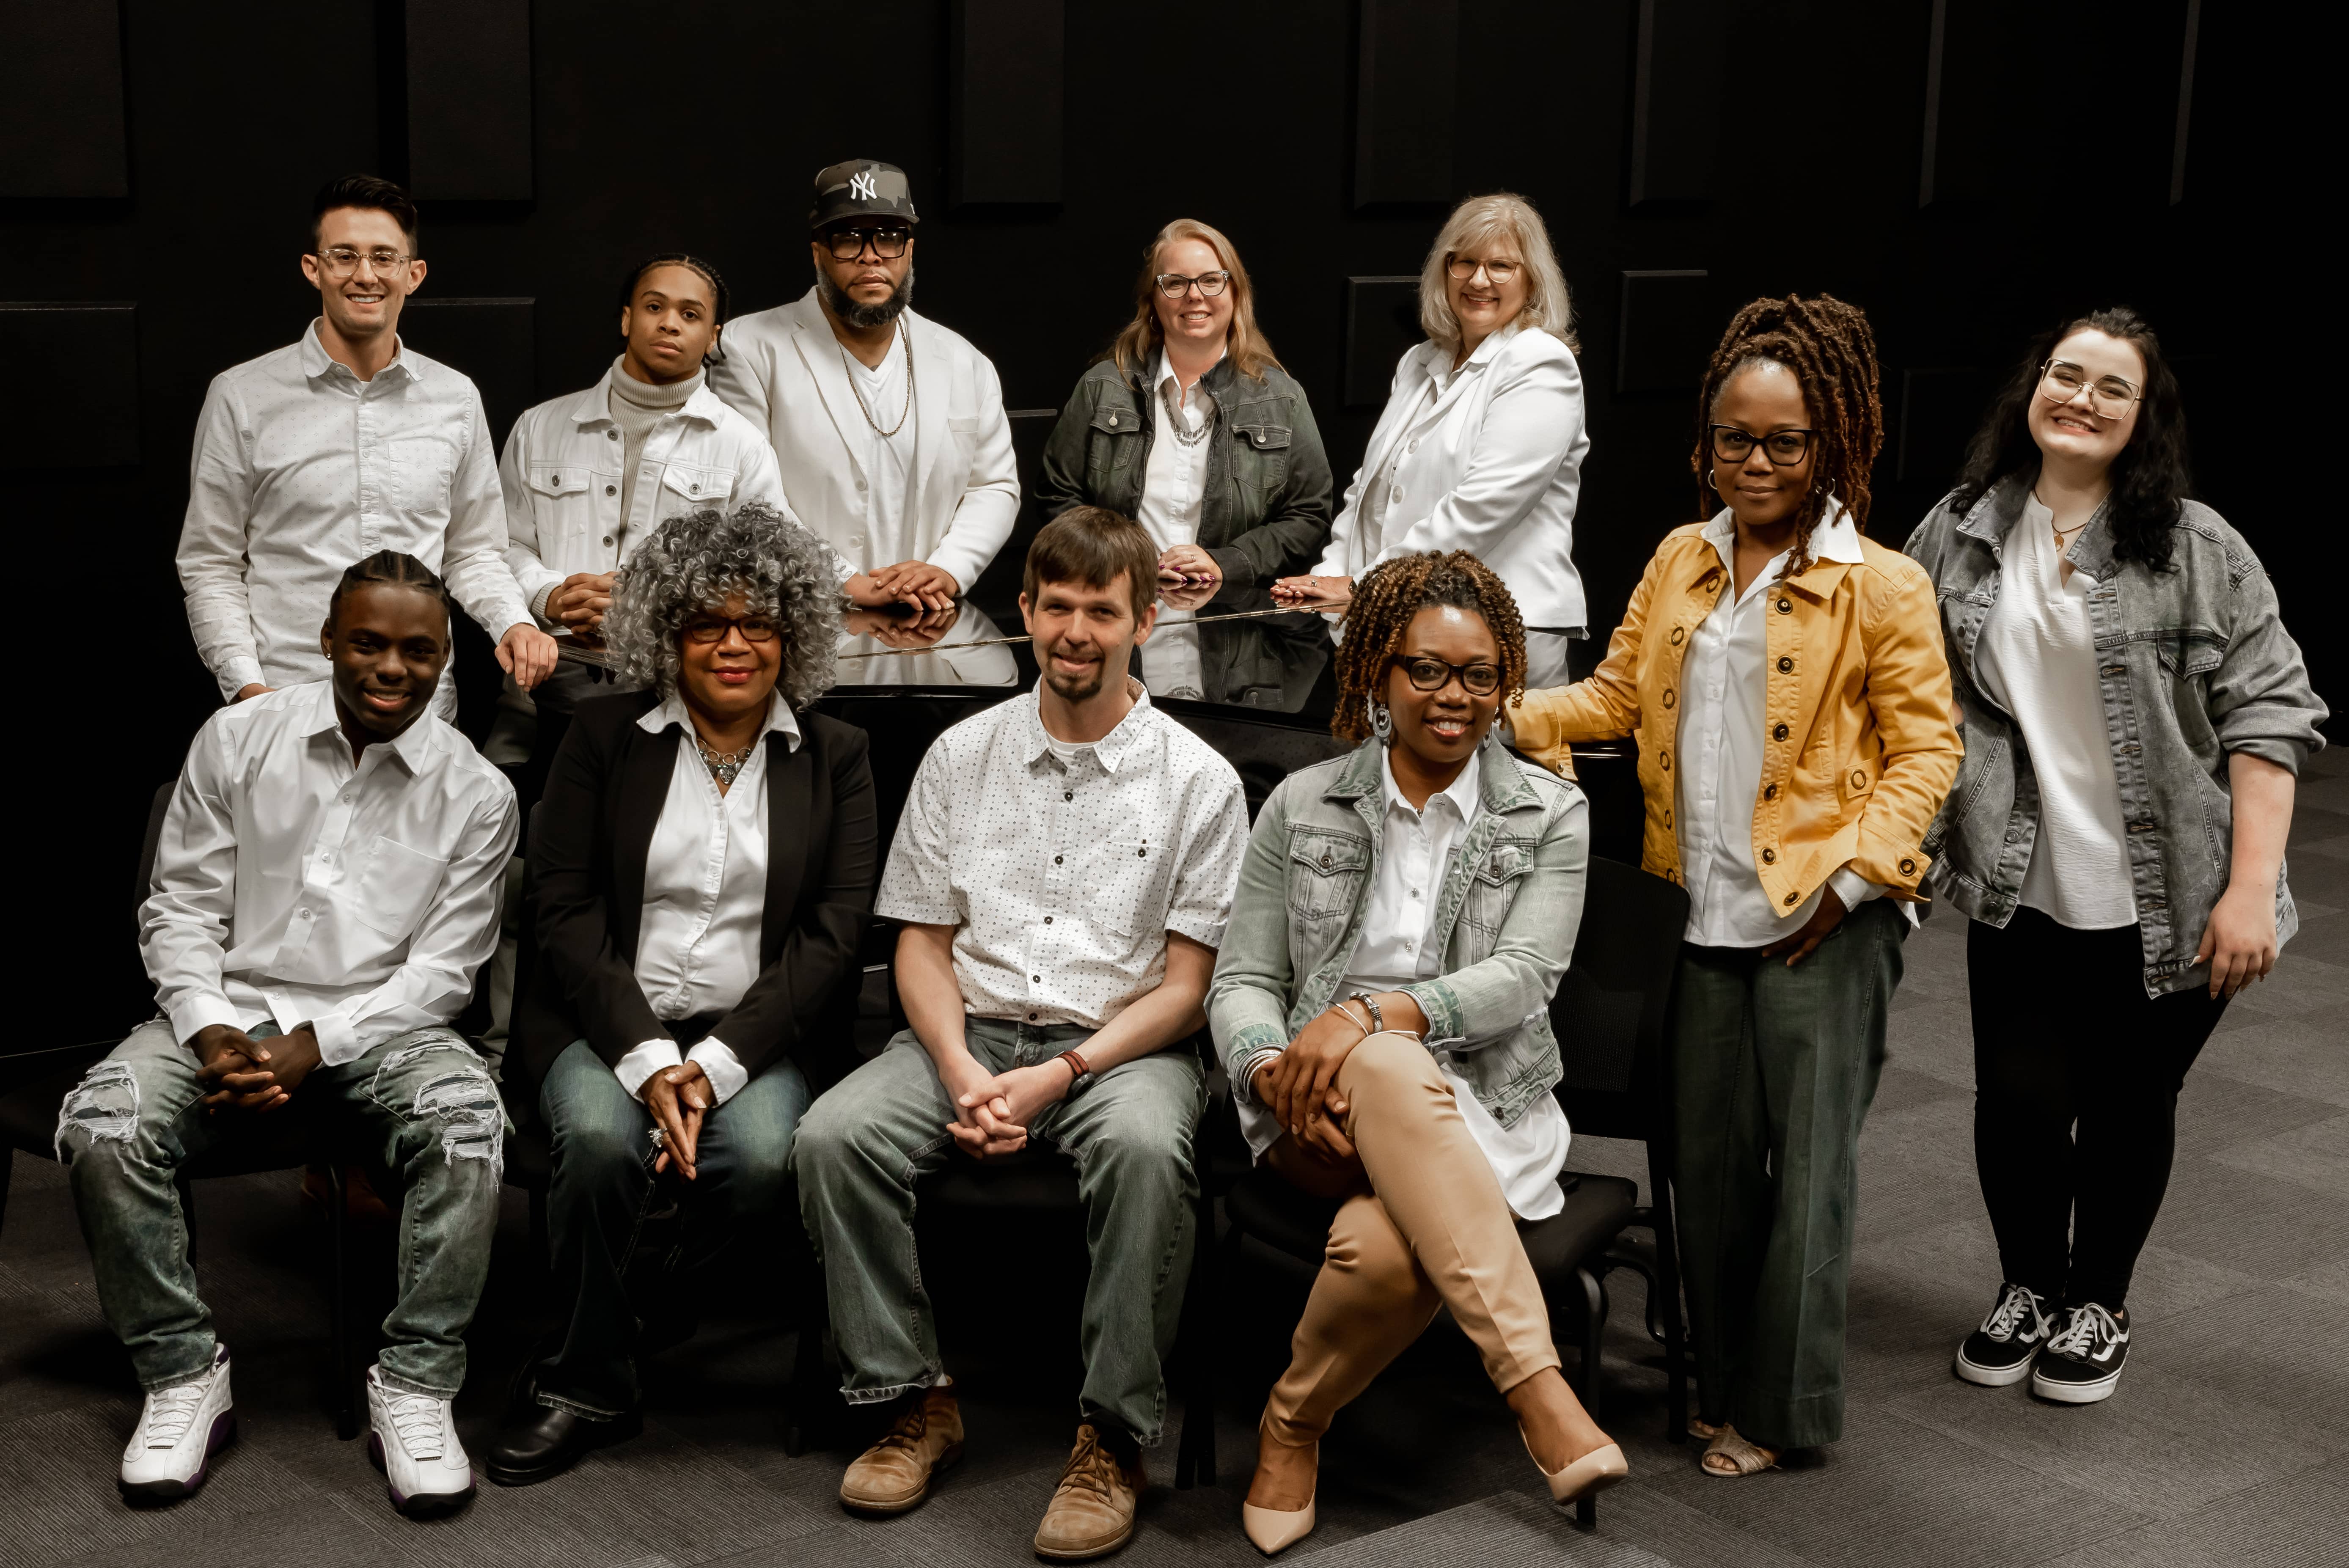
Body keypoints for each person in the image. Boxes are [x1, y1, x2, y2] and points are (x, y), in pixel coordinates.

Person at [1509, 296, 1962, 1476]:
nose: (1756, 462)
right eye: (1734, 438)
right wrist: (1505, 713)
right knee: (1705, 1168)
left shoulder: (1884, 586)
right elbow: (1615, 697)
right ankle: (1717, 1381)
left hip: (1821, 923)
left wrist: (1855, 883)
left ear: (1835, 443)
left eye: (1785, 441)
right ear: (1705, 440)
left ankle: (1784, 1407)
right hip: (1695, 915)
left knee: (1808, 1180)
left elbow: (1927, 755)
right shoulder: (1682, 556)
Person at [790, 508, 1248, 1562]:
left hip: (1120, 1046)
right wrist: (956, 1066)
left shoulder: (1200, 781)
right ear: (1027, 614)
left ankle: (1113, 1435)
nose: (1075, 630)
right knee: (831, 1135)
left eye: (1102, 609)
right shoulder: (961, 754)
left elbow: (1188, 989)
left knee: (1143, 1148)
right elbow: (920, 943)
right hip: (971, 1027)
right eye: (1056, 606)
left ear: (1142, 621)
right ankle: (914, 1398)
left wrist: (1061, 1076)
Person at [1903, 308, 2325, 1405]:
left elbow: (2271, 716)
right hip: (2022, 877)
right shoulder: (1959, 529)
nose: (2081, 399)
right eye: (2065, 374)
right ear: (2031, 391)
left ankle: (2101, 1301)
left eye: (2111, 388)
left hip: (2178, 886)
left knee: (2131, 1106)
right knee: (2021, 1104)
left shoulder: (2198, 547)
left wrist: (2246, 891)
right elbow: (1900, 689)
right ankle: (2028, 1287)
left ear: (2144, 420)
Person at [56, 552, 516, 1516]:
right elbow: (178, 910)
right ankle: (183, 1370)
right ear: (328, 640)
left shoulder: (479, 793)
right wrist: (215, 1026)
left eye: (419, 650)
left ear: (444, 662)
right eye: (369, 643)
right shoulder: (238, 738)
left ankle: (418, 1384)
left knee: (470, 1119)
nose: (393, 667)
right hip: (226, 1005)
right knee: (105, 1122)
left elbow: (444, 971)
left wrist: (317, 1041)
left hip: (385, 1021)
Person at [1206, 551, 1627, 1555]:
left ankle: (1291, 1423)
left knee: (1388, 1245)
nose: (1454, 696)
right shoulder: (1301, 803)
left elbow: (1524, 976)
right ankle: (1540, 1393)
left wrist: (1373, 1015)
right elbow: (1243, 980)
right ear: (1376, 674)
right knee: (1386, 1067)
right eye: (1427, 670)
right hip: (1315, 1105)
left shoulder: (1548, 811)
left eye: (1479, 674)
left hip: (1483, 1100)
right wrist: (1271, 1068)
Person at [486, 503, 877, 1483]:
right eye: (707, 622)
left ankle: (643, 1290)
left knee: (754, 1160)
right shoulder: (602, 735)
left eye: (759, 623)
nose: (735, 645)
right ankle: (587, 1382)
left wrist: (714, 1065)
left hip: (757, 1032)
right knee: (604, 1139)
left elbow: (833, 937)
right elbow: (564, 910)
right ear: (669, 632)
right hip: (600, 1019)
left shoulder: (838, 757)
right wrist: (653, 1059)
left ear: (795, 633)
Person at [176, 174, 557, 716]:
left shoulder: (455, 397)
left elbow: (474, 551)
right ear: (314, 268)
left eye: (384, 257)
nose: (365, 275)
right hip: (285, 700)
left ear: (413, 274)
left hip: (420, 708)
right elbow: (211, 563)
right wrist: (247, 691)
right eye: (344, 256)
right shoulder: (242, 396)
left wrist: (514, 621)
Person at [495, 252, 790, 803]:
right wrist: (550, 594)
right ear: (628, 317)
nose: (670, 323)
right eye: (655, 306)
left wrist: (652, 607)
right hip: (546, 694)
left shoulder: (742, 446)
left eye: (690, 313)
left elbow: (764, 580)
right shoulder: (539, 428)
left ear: (713, 335)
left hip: (681, 697)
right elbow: (499, 546)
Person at [1273, 193, 1590, 687]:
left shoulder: (1539, 362)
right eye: (1464, 261)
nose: (1478, 280)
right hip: (1402, 627)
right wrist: (1327, 577)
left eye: (1500, 265)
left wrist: (1362, 586)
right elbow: (1369, 490)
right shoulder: (1420, 361)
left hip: (1495, 634)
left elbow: (1482, 505)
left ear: (1530, 280)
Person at [1037, 218, 1334, 698]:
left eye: (1210, 280)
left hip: (1239, 651)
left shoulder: (1282, 398)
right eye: (1174, 283)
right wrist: (1128, 562)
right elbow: (1057, 496)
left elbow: (1309, 512)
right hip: (1116, 633)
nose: (1194, 296)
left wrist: (1226, 563)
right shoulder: (1102, 389)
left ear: (1234, 293)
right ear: (1153, 301)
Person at [711, 159, 1018, 622]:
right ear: (818, 253)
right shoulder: (748, 348)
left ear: (909, 251)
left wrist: (946, 569)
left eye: (889, 237)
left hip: (927, 625)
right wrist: (842, 579)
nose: (870, 256)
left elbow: (993, 485)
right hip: (797, 622)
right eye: (849, 238)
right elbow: (750, 494)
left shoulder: (964, 363)